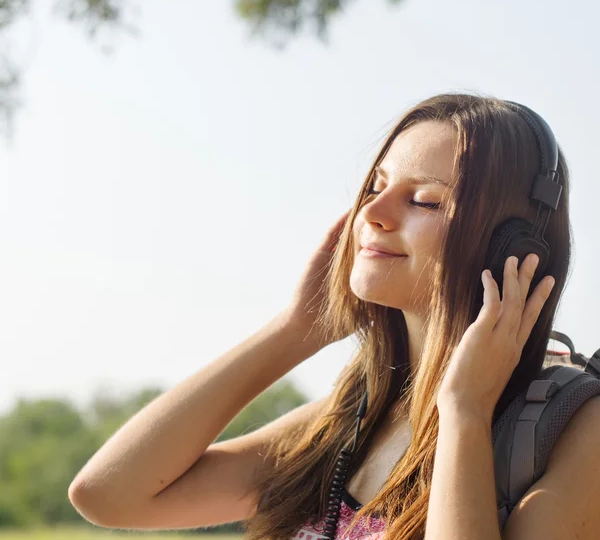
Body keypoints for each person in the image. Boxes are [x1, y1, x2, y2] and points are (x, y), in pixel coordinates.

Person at [68, 94, 600, 540]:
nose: (373, 213)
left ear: (510, 249)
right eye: (375, 187)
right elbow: (110, 494)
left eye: (424, 201)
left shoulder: (574, 431)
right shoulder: (353, 417)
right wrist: (297, 329)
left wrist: (464, 411)